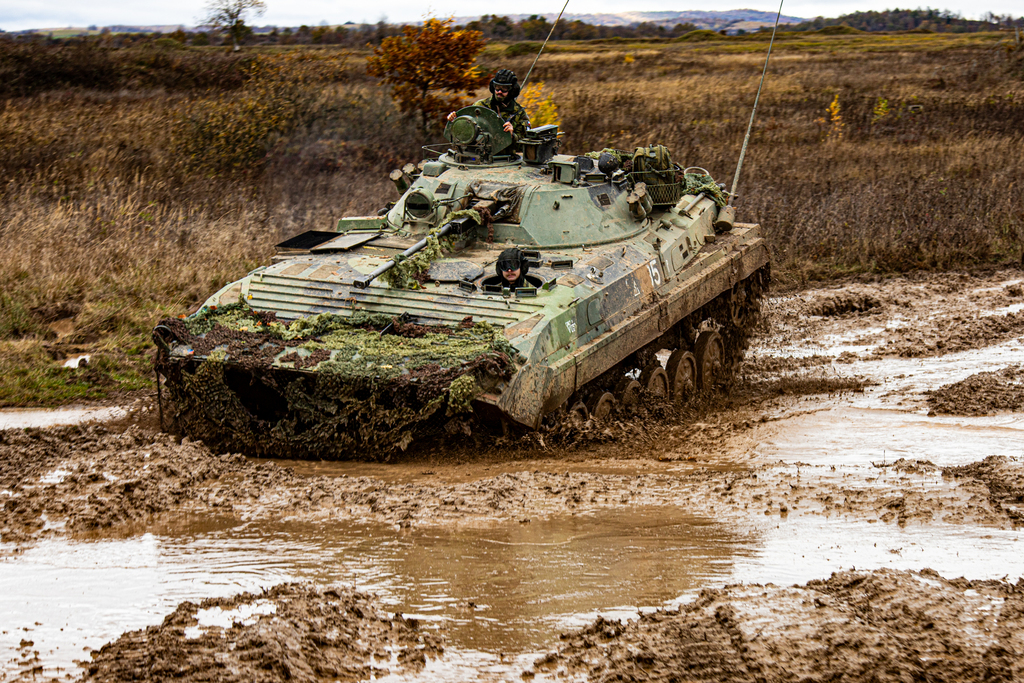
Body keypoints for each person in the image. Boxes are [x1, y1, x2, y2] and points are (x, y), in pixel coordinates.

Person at [447, 69, 531, 142]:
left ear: (512, 90)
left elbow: (527, 144)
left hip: (506, 158)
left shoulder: (519, 113)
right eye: (497, 87)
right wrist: (454, 120)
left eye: (504, 88)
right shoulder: (480, 106)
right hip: (478, 156)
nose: (499, 91)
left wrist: (512, 135)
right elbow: (464, 131)